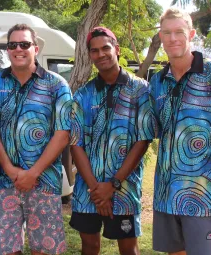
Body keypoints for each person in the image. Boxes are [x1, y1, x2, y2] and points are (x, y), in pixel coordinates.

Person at [0, 24, 72, 255]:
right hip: (7, 182)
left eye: (24, 44)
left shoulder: (56, 85)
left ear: (36, 48)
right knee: (5, 250)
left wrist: (32, 174)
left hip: (45, 182)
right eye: (12, 45)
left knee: (45, 250)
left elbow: (63, 134)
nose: (18, 49)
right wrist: (11, 170)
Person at [69, 27, 156, 255]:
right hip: (88, 190)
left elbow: (143, 140)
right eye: (94, 51)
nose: (101, 54)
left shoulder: (140, 90)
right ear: (90, 55)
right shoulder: (82, 95)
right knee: (89, 247)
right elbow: (76, 143)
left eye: (105, 48)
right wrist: (96, 189)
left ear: (116, 50)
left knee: (129, 249)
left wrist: (113, 185)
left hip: (125, 189)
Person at [150, 8, 211, 255]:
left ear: (191, 34)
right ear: (160, 37)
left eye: (179, 32)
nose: (173, 38)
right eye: (167, 33)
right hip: (165, 195)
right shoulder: (157, 81)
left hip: (203, 197)